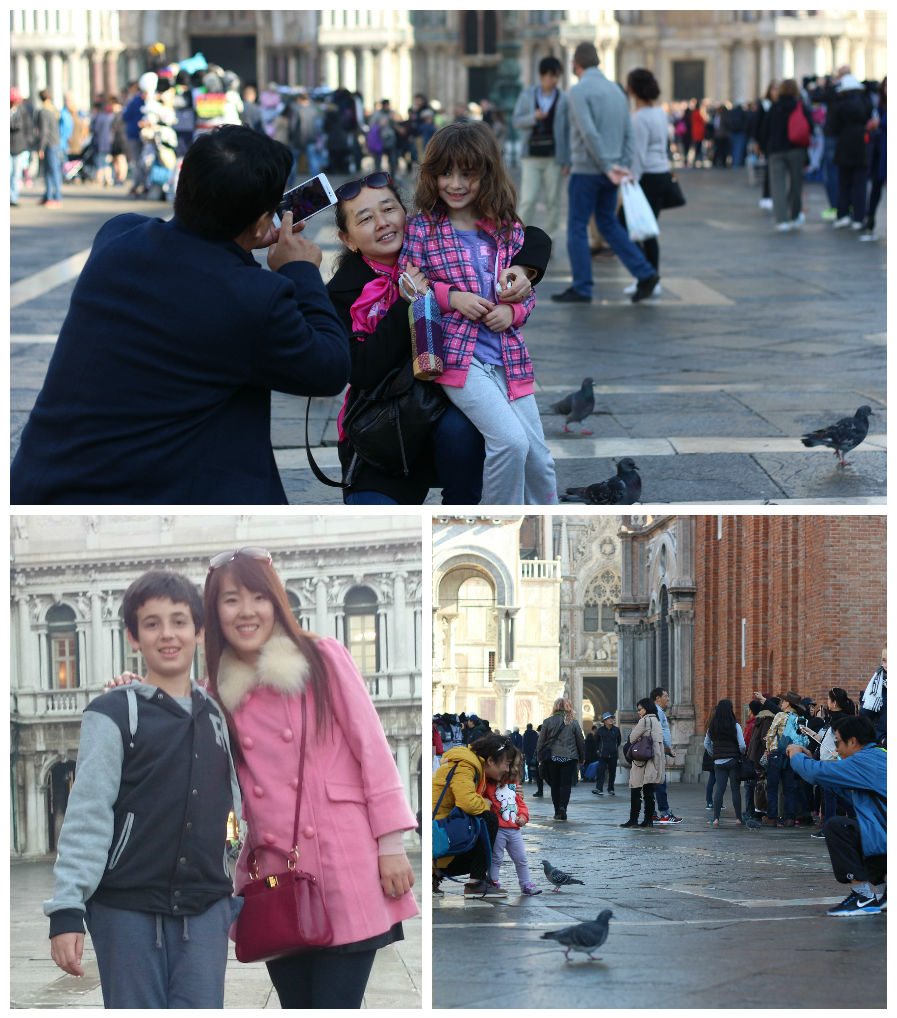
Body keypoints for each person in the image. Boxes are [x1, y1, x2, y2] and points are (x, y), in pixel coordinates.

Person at [11, 125, 351, 504]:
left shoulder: (117, 237)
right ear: (261, 220)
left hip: (42, 482)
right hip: (138, 496)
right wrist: (300, 270)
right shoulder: (253, 300)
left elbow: (193, 268)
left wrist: (243, 239)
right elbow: (330, 366)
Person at [204, 547, 417, 1007]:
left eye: (258, 597)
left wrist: (392, 843)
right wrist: (131, 690)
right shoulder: (214, 691)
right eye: (230, 599)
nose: (246, 611)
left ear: (276, 601)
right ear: (214, 611)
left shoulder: (321, 657)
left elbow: (372, 747)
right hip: (276, 876)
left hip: (345, 864)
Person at [44, 571, 241, 1007]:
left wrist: (230, 876)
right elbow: (89, 811)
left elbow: (233, 805)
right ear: (133, 636)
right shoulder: (113, 712)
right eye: (152, 624)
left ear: (198, 631)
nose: (167, 634)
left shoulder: (216, 715)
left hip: (204, 909)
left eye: (178, 621)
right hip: (126, 910)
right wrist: (66, 909)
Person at [400, 121, 559, 505]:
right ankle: (494, 524)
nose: (455, 184)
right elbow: (405, 285)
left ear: (486, 175)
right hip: (460, 359)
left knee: (540, 460)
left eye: (467, 174)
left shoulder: (507, 230)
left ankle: (544, 522)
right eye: (445, 173)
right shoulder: (423, 228)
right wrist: (451, 297)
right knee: (510, 442)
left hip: (510, 358)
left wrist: (513, 311)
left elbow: (527, 295)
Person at [552, 42, 659, 304]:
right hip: (612, 170)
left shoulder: (578, 91)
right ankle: (645, 272)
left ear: (576, 65)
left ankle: (582, 287)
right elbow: (629, 133)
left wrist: (607, 166)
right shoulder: (616, 91)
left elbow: (588, 133)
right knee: (608, 223)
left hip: (588, 170)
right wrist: (620, 165)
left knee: (577, 226)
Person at [786, 715, 885, 917]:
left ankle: (863, 896)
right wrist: (813, 763)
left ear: (853, 741)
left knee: (838, 828)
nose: (836, 748)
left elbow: (814, 774)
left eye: (837, 742)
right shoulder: (880, 756)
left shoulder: (863, 762)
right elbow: (845, 789)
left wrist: (796, 756)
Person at [432, 732, 514, 897]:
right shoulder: (466, 765)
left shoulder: (473, 765)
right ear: (490, 760)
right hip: (439, 840)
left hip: (442, 835)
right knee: (488, 819)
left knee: (484, 818)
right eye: (506, 763)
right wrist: (487, 804)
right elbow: (467, 802)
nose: (507, 769)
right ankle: (475, 883)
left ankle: (434, 875)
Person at [619, 68, 673, 295]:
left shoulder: (639, 118)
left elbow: (637, 156)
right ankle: (650, 277)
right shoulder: (660, 112)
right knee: (649, 231)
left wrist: (631, 183)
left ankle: (646, 275)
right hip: (661, 173)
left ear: (632, 89)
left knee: (623, 226)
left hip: (647, 177)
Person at [512, 56, 566, 234]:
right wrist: (533, 118)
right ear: (542, 76)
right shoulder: (527, 95)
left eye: (556, 76)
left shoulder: (563, 99)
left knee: (553, 200)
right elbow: (516, 121)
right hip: (531, 155)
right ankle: (520, 239)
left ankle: (550, 239)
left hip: (553, 156)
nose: (554, 80)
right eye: (551, 76)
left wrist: (567, 160)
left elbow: (567, 130)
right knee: (528, 199)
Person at [485, 748, 541, 895]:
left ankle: (526, 883)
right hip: (498, 829)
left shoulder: (513, 786)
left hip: (514, 829)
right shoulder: (489, 785)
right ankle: (493, 881)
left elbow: (521, 804)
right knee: (496, 858)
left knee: (521, 858)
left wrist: (523, 817)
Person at [765, 78, 812, 231]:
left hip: (776, 150)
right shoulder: (800, 106)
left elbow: (764, 129)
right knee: (796, 184)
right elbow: (809, 126)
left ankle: (781, 220)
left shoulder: (774, 107)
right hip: (796, 149)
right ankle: (794, 215)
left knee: (777, 185)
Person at [828, 73, 874, 230]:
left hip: (844, 145)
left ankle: (843, 214)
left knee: (844, 182)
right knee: (859, 184)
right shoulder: (865, 102)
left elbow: (831, 127)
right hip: (862, 144)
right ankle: (859, 217)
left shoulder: (839, 105)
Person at [760, 690, 811, 827]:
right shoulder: (800, 719)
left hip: (777, 754)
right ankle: (790, 818)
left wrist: (769, 749)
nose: (781, 703)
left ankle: (772, 817)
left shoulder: (780, 716)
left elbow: (771, 734)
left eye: (783, 701)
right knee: (790, 787)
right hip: (792, 755)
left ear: (788, 703)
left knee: (772, 787)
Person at [535, 698, 585, 822]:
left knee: (555, 785)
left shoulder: (547, 721)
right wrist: (582, 757)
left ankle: (557, 810)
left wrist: (539, 757)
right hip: (569, 758)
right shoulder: (573, 722)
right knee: (565, 785)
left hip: (552, 758)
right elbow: (580, 740)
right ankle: (563, 807)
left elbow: (541, 741)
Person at [620, 698, 665, 827]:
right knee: (649, 793)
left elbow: (631, 737)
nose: (639, 712)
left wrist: (638, 737)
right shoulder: (656, 721)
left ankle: (633, 820)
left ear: (647, 708)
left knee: (635, 791)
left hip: (641, 761)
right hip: (653, 760)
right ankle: (648, 820)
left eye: (640, 709)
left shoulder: (644, 721)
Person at [704, 699, 747, 828]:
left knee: (719, 790)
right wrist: (741, 753)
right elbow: (742, 745)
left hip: (718, 762)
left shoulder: (712, 726)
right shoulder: (735, 725)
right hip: (733, 760)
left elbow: (706, 744)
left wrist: (714, 754)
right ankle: (738, 818)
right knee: (735, 790)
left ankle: (716, 819)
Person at [650, 686, 682, 824]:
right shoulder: (657, 712)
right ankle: (664, 814)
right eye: (666, 696)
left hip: (658, 750)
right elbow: (657, 732)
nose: (668, 699)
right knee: (660, 784)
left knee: (653, 784)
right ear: (658, 698)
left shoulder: (657, 711)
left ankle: (652, 813)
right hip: (658, 752)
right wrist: (667, 749)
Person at [860, 77, 886, 241]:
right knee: (876, 187)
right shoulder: (879, 106)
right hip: (879, 151)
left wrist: (880, 123)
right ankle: (870, 221)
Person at [36, 89, 63, 207]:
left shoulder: (43, 111)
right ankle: (48, 195)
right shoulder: (54, 109)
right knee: (50, 170)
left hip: (48, 144)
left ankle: (56, 197)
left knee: (51, 170)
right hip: (55, 142)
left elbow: (44, 131)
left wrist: (40, 147)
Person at [859, 646, 887, 744]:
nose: (886, 665)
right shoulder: (877, 687)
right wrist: (881, 738)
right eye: (884, 660)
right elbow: (864, 718)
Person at [592, 711, 621, 796]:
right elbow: (596, 742)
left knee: (612, 772)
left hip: (613, 755)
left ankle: (611, 789)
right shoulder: (600, 730)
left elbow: (618, 741)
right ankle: (599, 788)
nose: (611, 720)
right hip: (602, 755)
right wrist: (598, 750)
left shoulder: (616, 730)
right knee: (601, 771)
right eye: (608, 718)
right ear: (604, 721)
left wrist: (614, 748)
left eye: (611, 718)